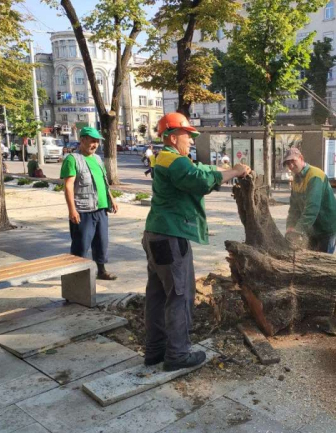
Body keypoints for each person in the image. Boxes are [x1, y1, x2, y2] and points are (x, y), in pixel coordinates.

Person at [143, 112, 251, 371]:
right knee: (180, 296)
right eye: (187, 135)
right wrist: (236, 171)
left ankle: (155, 351)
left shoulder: (166, 159)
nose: (191, 140)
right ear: (170, 136)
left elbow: (201, 170)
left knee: (158, 295)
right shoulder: (174, 160)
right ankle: (177, 355)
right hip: (171, 237)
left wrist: (224, 171)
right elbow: (200, 180)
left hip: (155, 234)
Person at [60, 127, 119, 280]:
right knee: (81, 245)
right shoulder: (72, 159)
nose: (95, 144)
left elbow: (103, 182)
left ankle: (101, 270)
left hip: (101, 208)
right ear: (83, 140)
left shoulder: (97, 159)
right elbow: (68, 186)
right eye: (92, 141)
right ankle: (75, 277)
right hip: (83, 210)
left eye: (97, 142)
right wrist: (72, 210)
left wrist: (111, 198)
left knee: (101, 242)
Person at [283, 147, 336, 253]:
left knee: (323, 261)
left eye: (293, 161)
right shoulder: (296, 179)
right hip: (313, 228)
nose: (291, 166)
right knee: (311, 256)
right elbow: (294, 208)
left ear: (301, 158)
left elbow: (312, 208)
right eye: (288, 163)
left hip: (327, 226)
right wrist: (290, 226)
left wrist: (297, 230)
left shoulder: (315, 176)